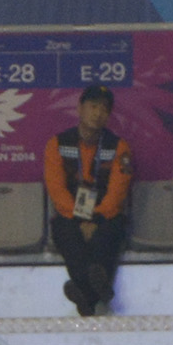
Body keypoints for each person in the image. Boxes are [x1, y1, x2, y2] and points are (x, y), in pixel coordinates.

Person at [44, 85, 132, 316]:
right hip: (70, 215)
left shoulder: (118, 147)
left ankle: (84, 294)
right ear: (80, 108)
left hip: (106, 216)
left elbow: (117, 191)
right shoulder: (58, 143)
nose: (98, 113)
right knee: (65, 232)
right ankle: (99, 292)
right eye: (93, 107)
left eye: (104, 109)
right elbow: (56, 188)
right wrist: (79, 218)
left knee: (110, 232)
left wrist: (97, 218)